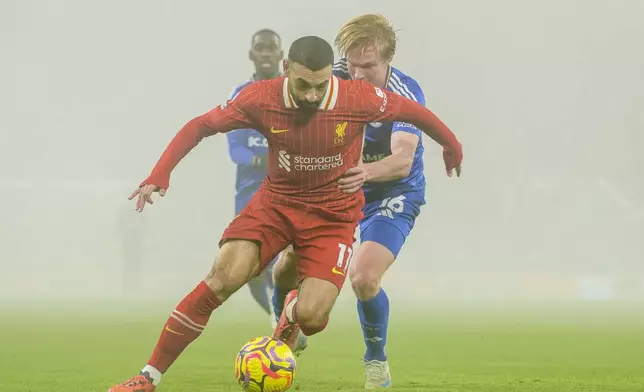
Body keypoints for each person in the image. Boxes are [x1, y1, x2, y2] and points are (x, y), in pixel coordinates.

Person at [109, 35, 462, 392]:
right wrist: (160, 173)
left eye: (320, 85)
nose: (311, 95)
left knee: (311, 318)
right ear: (286, 69)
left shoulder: (357, 98)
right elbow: (201, 125)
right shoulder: (260, 97)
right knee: (222, 277)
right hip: (276, 206)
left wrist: (451, 144)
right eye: (303, 84)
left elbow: (415, 113)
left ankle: (294, 309)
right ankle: (148, 376)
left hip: (333, 218)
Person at [271, 14, 433, 388]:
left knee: (363, 278)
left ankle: (376, 362)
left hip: (390, 193)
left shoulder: (405, 92)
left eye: (369, 67)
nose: (358, 76)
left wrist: (361, 171)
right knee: (284, 267)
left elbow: (402, 159)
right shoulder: (333, 77)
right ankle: (287, 323)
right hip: (336, 189)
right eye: (353, 65)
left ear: (388, 60)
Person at [226, 29, 283, 327]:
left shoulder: (291, 92)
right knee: (249, 270)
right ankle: (278, 319)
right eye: (259, 48)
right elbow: (235, 149)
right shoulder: (241, 94)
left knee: (286, 265)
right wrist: (266, 158)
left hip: (289, 191)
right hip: (250, 193)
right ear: (251, 54)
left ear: (281, 55)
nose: (264, 53)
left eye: (270, 48)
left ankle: (290, 316)